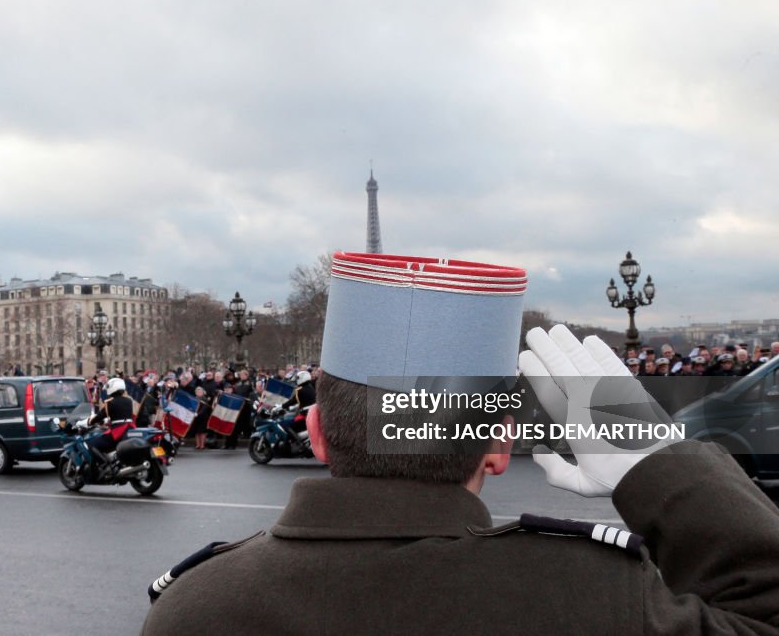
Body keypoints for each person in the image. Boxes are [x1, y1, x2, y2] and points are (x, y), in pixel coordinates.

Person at [142, 251, 779, 635]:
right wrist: (656, 461)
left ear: (315, 434)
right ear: (497, 447)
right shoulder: (593, 599)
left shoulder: (192, 610)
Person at [82, 377, 134, 453]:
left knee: (92, 444)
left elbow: (100, 416)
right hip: (129, 428)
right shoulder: (129, 400)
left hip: (118, 430)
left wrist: (89, 422)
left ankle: (104, 464)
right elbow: (119, 414)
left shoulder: (110, 402)